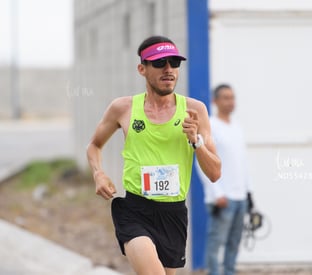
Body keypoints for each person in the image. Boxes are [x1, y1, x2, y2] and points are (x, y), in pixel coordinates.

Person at [86, 35, 221, 275]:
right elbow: (94, 145)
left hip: (173, 213)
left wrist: (196, 141)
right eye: (159, 63)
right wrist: (98, 173)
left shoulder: (195, 110)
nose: (168, 69)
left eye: (174, 63)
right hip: (135, 210)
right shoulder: (123, 108)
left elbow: (215, 172)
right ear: (142, 69)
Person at [197, 84, 253, 275]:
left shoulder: (236, 127)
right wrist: (216, 193)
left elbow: (242, 162)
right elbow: (201, 161)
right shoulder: (210, 125)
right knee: (216, 243)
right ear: (215, 101)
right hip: (223, 198)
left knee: (234, 243)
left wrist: (248, 192)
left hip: (240, 198)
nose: (231, 102)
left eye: (232, 97)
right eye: (226, 98)